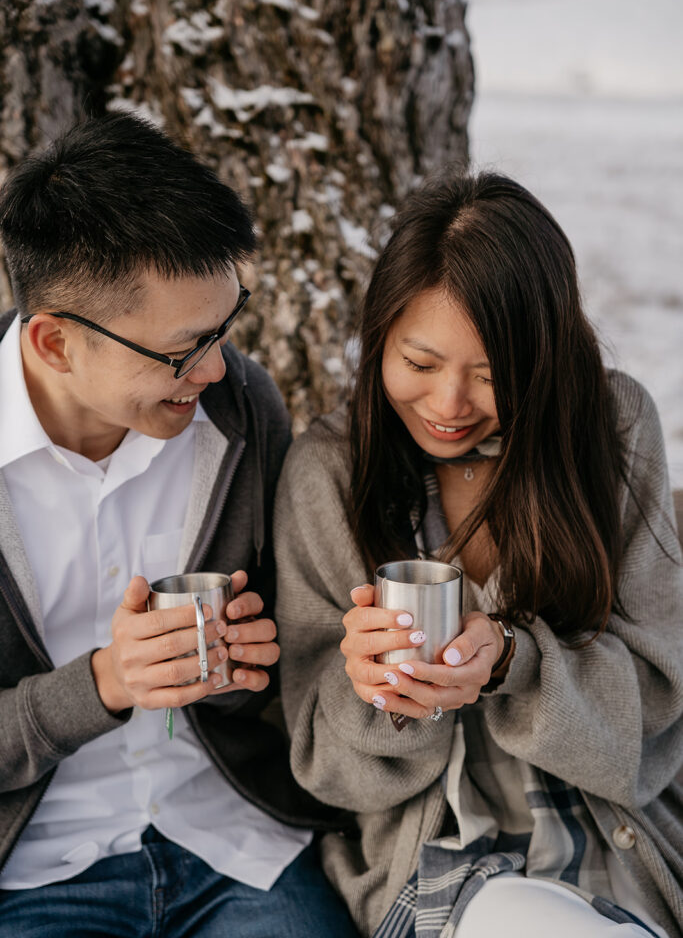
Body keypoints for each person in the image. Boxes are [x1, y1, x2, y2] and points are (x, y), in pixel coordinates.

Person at [274, 170, 683, 938]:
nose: (449, 405)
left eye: (492, 373)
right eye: (419, 365)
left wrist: (511, 663)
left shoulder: (612, 426)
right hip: (441, 867)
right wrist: (374, 690)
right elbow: (325, 773)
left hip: (622, 851)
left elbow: (659, 710)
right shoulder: (329, 473)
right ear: (378, 339)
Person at [0, 112, 358, 937]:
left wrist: (250, 671)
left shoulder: (237, 409)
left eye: (224, 329)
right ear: (54, 342)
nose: (214, 368)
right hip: (33, 872)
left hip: (231, 843)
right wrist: (103, 686)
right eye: (179, 350)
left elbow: (280, 671)